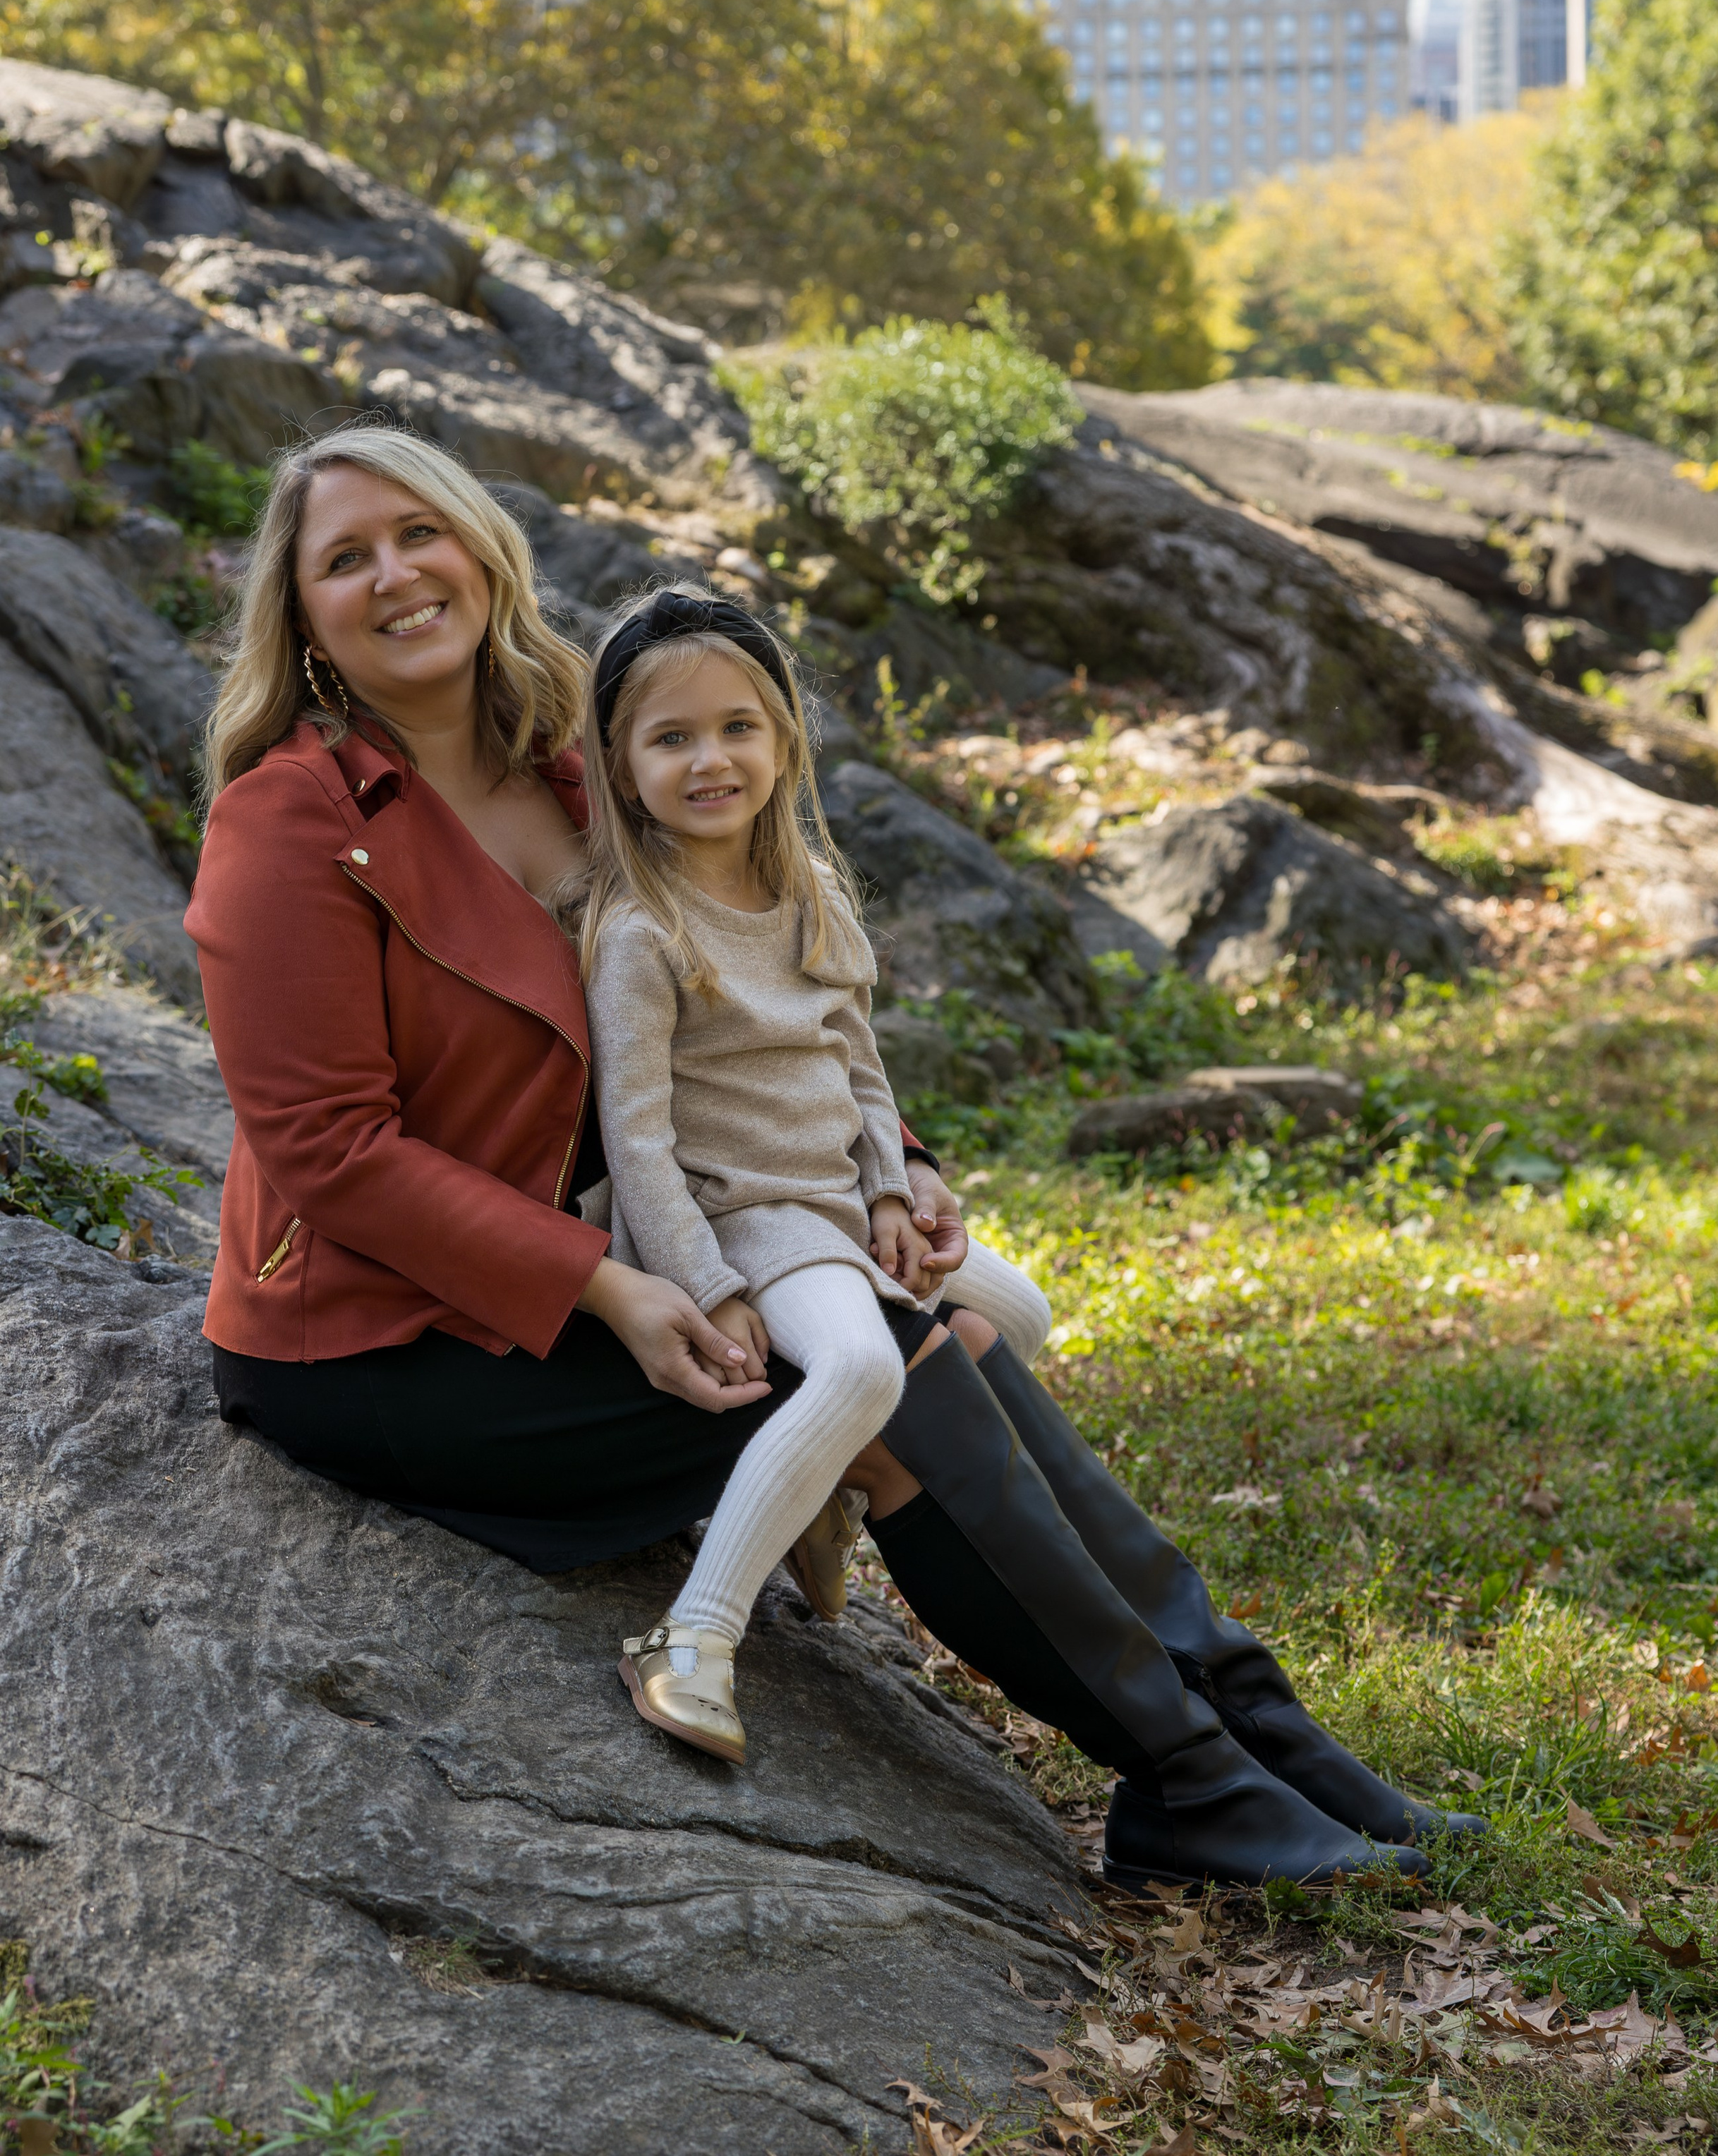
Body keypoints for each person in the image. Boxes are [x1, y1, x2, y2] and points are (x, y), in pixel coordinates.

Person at [190, 416, 1480, 1891]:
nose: (396, 573)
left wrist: (899, 1168)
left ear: (483, 548)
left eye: (419, 531)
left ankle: (1260, 1740)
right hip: (385, 1340)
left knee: (964, 1339)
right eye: (345, 559)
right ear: (301, 620)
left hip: (647, 1231)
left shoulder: (582, 759)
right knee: (891, 1393)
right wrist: (606, 1289)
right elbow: (329, 1151)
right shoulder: (284, 826)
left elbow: (760, 981)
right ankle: (1191, 1781)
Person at [572, 583, 1051, 1763]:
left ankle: (821, 1484)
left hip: (838, 1205)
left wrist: (892, 1189)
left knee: (1020, 1315)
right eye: (670, 737)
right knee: (855, 1362)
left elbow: (858, 1063)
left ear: (785, 739)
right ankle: (693, 1637)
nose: (710, 759)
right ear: (622, 766)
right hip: (746, 1216)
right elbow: (634, 1140)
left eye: (737, 726)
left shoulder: (811, 892)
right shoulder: (643, 935)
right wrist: (700, 1278)